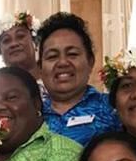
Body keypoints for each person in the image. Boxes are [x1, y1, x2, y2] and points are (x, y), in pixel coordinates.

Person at [38, 12, 121, 145]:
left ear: (90, 62)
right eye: (52, 56)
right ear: (40, 68)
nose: (63, 62)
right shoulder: (32, 116)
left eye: (72, 54)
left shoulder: (113, 108)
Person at [0, 11, 42, 84]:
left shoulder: (52, 78)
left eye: (20, 36)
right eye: (6, 40)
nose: (14, 44)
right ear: (0, 52)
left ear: (35, 42)